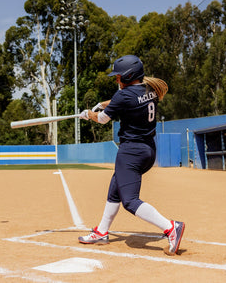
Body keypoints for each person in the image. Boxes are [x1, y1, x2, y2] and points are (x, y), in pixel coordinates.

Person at [78, 55, 185, 256]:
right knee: (115, 189)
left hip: (130, 153)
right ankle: (102, 231)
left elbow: (102, 120)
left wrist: (89, 115)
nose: (116, 80)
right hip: (148, 150)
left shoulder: (123, 96)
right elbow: (125, 100)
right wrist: (103, 103)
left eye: (118, 77)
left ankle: (171, 227)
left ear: (128, 76)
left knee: (129, 201)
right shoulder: (150, 90)